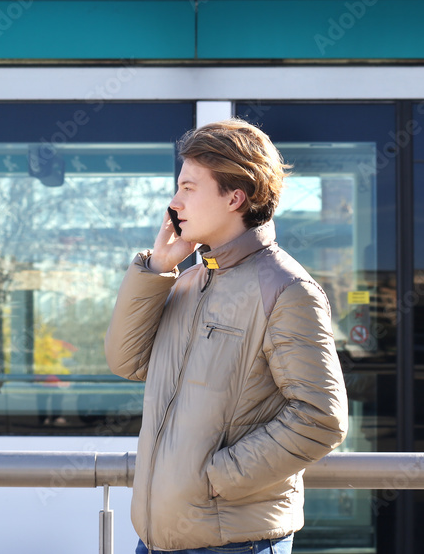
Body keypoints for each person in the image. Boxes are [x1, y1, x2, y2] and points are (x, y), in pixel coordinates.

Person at [105, 118, 349, 553]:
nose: (174, 202)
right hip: (156, 538)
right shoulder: (187, 281)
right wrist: (157, 269)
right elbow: (126, 361)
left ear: (235, 197)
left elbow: (320, 417)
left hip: (234, 543)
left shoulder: (287, 289)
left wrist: (214, 479)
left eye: (188, 187)